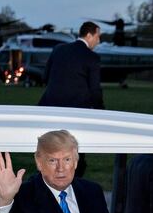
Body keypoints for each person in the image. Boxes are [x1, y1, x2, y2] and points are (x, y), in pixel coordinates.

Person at [38, 21, 104, 178]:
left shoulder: (58, 50)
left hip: (49, 109)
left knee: (50, 151)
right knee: (75, 155)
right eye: (98, 36)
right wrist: (102, 112)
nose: (99, 41)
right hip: (76, 113)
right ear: (89, 35)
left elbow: (44, 77)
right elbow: (95, 91)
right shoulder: (92, 57)